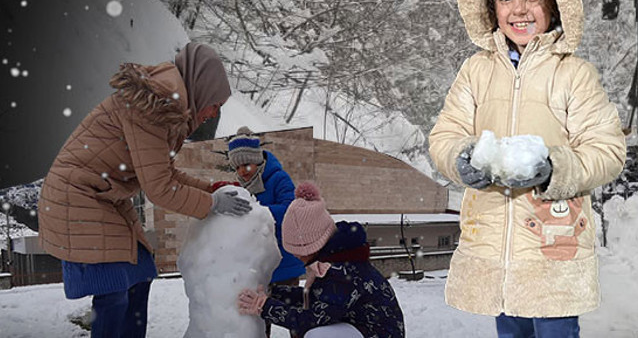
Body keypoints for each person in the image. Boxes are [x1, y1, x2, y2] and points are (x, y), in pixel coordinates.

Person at [427, 0, 627, 338]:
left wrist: (553, 167)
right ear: (491, 8)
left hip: (553, 243)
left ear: (554, 1)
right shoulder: (476, 72)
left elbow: (607, 151)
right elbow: (445, 135)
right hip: (496, 251)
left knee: (554, 330)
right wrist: (463, 158)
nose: (518, 9)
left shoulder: (574, 74)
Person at [37, 42, 252, 338]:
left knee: (141, 275)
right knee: (113, 290)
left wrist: (211, 188)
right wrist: (211, 203)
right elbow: (160, 189)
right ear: (201, 88)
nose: (214, 113)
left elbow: (165, 172)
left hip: (106, 196)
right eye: (215, 104)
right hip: (78, 197)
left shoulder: (164, 108)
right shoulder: (152, 108)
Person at [237, 182, 405, 338]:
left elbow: (311, 318)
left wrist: (264, 306)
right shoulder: (337, 259)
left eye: (299, 250)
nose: (296, 255)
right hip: (360, 328)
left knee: (316, 334)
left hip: (380, 334)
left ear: (313, 245)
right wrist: (275, 293)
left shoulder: (341, 274)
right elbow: (316, 298)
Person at [227, 126, 306, 336]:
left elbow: (291, 208)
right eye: (238, 167)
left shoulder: (278, 178)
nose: (243, 171)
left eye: (247, 164)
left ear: (258, 160)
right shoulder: (241, 187)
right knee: (259, 317)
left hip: (284, 262)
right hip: (257, 265)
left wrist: (257, 212)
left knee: (293, 318)